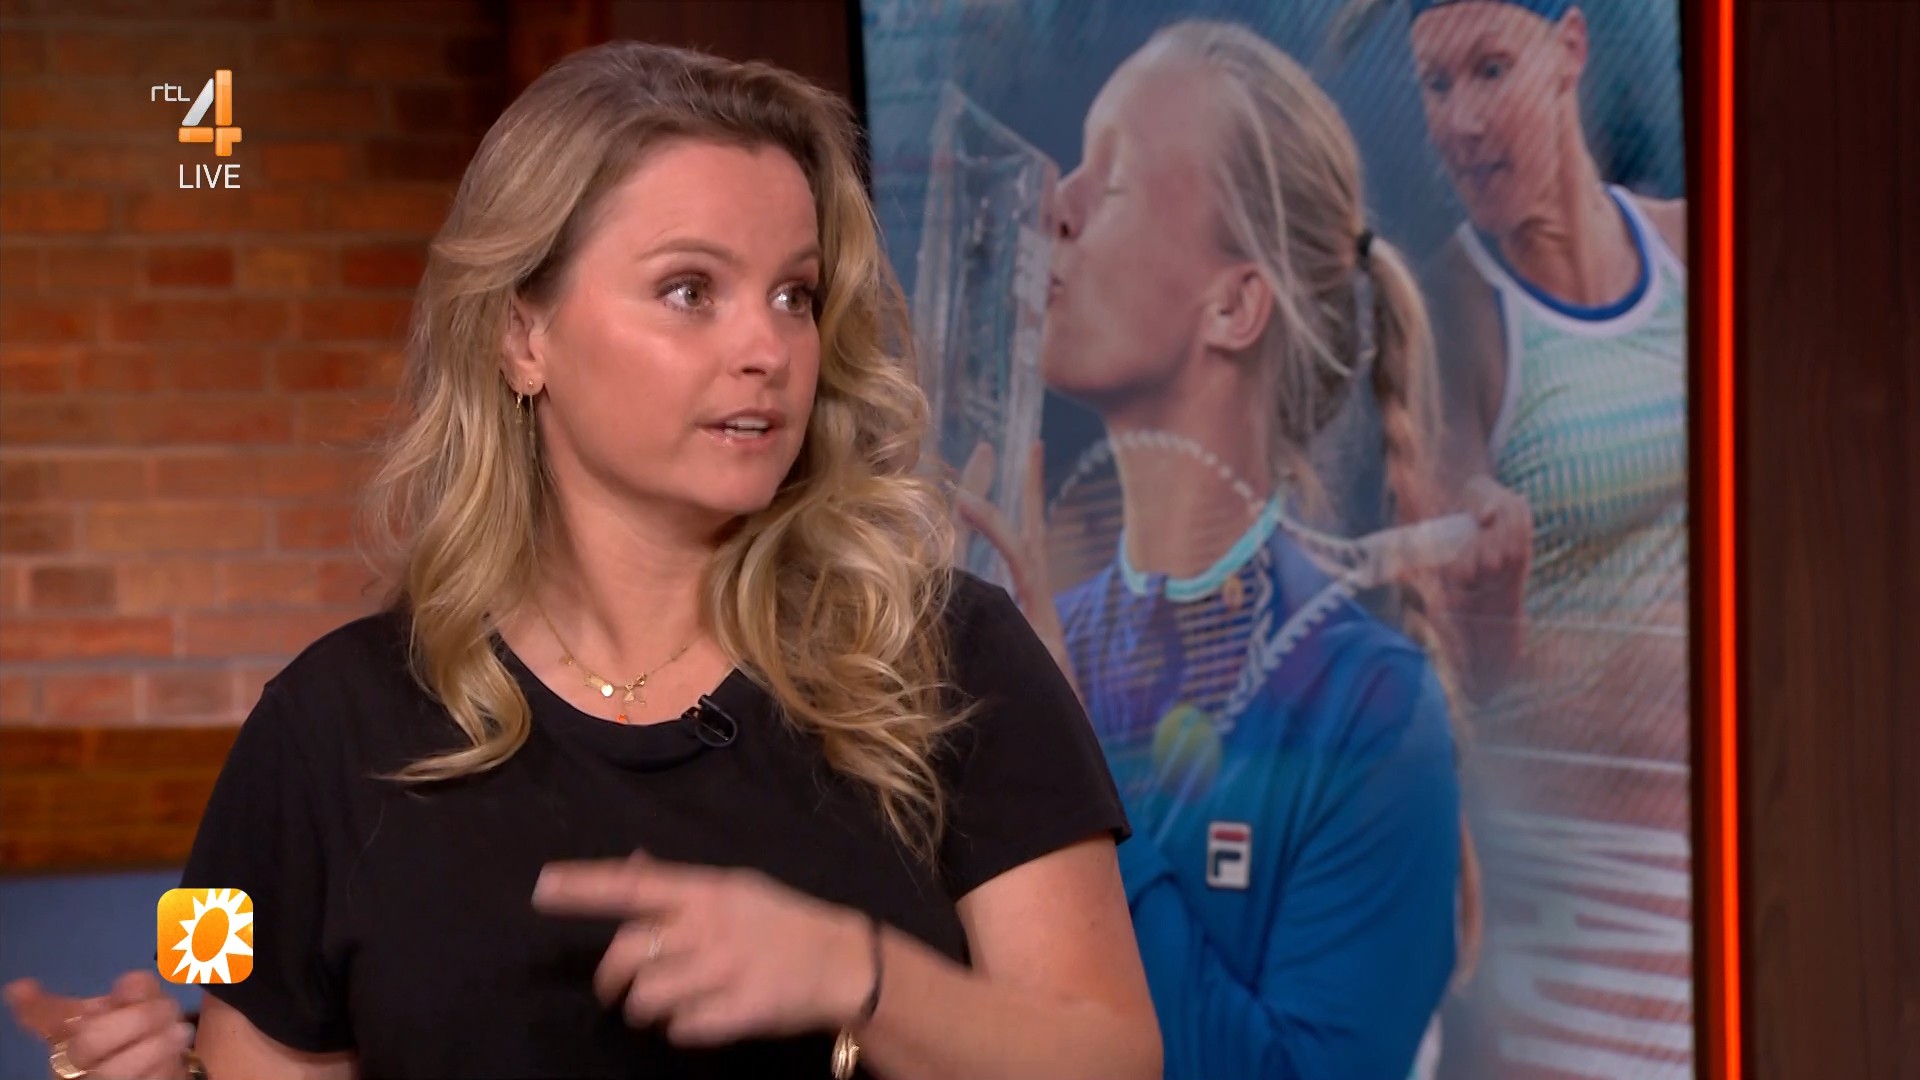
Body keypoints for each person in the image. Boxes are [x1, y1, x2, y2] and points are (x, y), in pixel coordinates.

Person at [3, 42, 1161, 1080]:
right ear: (523, 335)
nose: (767, 347)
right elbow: (221, 1024)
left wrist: (859, 975)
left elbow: (1113, 1058)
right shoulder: (321, 728)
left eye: (794, 294)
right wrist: (144, 1072)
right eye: (689, 290)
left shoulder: (955, 657)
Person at [956, 21, 1476, 1080]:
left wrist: (1059, 746)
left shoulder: (1374, 715)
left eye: (1109, 183)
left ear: (1234, 305)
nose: (1054, 206)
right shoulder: (1023, 641)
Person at [1405, 0, 1689, 716]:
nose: (1461, 123)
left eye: (1491, 70)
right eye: (1436, 84)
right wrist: (1490, 589)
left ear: (1570, 49)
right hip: (1562, 767)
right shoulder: (1445, 318)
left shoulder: (1690, 248)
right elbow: (1463, 678)